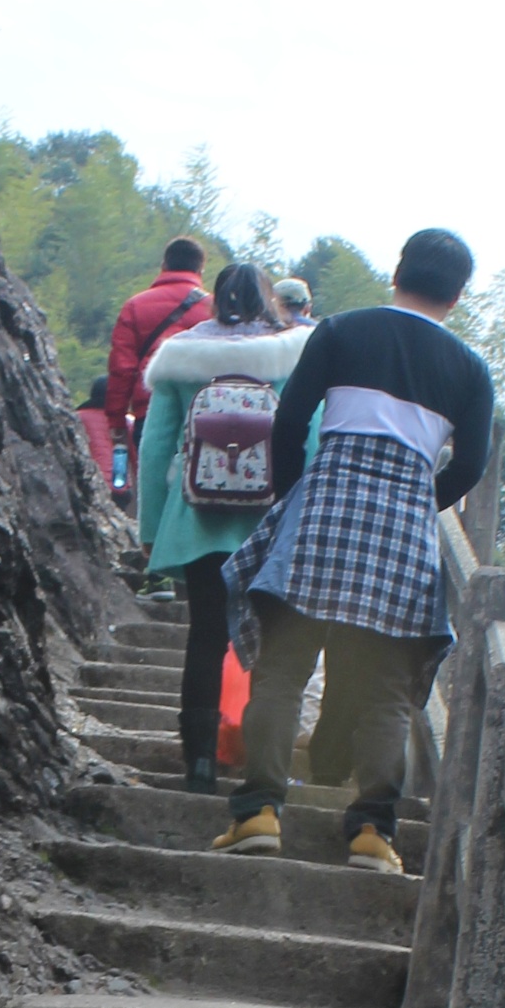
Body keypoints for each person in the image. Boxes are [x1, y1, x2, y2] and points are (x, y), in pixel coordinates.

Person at [213, 226, 494, 874]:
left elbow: (288, 422)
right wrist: (418, 500)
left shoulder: (339, 332)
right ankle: (371, 833)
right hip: (401, 530)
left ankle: (257, 811)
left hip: (324, 508)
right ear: (456, 298)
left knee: (281, 670)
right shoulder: (468, 371)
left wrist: (293, 495)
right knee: (386, 692)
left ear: (396, 273)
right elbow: (470, 466)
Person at [134, 263, 307, 792]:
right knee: (273, 647)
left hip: (197, 519)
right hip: (269, 525)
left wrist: (150, 527)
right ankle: (262, 764)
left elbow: (156, 446)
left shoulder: (184, 357)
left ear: (216, 301)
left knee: (206, 638)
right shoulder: (289, 357)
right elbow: (311, 442)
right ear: (267, 302)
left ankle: (200, 764)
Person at [101, 238, 211, 459]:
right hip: (203, 413)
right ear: (200, 269)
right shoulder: (214, 308)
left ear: (164, 265)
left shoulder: (135, 306)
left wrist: (117, 421)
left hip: (150, 413)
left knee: (152, 486)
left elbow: (122, 369)